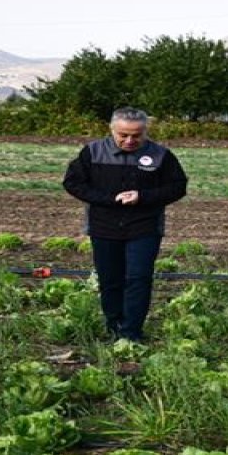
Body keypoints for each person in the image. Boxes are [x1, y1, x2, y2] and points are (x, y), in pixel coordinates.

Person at [64, 107, 188, 342]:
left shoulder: (161, 155)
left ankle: (132, 332)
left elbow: (177, 187)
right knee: (110, 279)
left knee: (138, 278)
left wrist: (142, 197)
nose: (130, 140)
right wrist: (109, 199)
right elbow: (72, 183)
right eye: (123, 135)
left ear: (145, 132)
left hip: (145, 227)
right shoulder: (92, 152)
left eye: (137, 135)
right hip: (104, 226)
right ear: (112, 130)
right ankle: (113, 327)